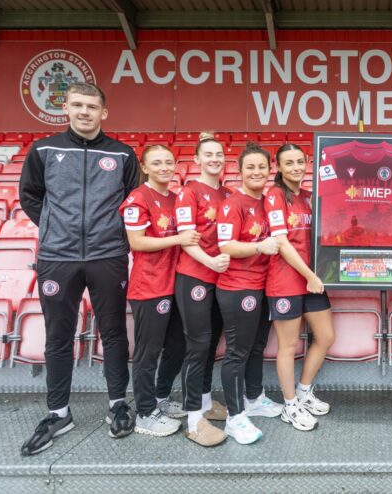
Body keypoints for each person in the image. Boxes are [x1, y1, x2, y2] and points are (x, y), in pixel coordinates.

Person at [19, 82, 139, 456]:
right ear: (66, 109)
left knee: (114, 331)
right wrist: (57, 227)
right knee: (58, 335)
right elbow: (30, 196)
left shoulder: (122, 154)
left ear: (104, 112)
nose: (84, 112)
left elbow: (132, 204)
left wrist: (109, 233)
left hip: (108, 255)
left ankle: (118, 403)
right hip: (59, 256)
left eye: (91, 106)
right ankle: (58, 413)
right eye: (77, 105)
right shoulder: (43, 150)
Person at [119, 144, 198, 437]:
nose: (165, 167)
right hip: (150, 286)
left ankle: (161, 398)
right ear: (145, 167)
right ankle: (144, 413)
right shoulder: (138, 198)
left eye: (169, 162)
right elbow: (137, 242)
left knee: (177, 346)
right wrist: (178, 239)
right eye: (157, 162)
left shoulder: (177, 198)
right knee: (148, 351)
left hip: (175, 283)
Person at [264, 143, 335, 432]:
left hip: (312, 279)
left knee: (326, 336)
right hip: (286, 280)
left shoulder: (308, 197)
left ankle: (304, 391)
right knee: (289, 346)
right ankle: (289, 405)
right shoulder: (275, 195)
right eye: (288, 163)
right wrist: (309, 275)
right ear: (278, 167)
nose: (295, 167)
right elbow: (281, 243)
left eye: (299, 161)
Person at [216, 143, 283, 445]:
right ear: (240, 171)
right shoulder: (233, 204)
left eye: (262, 167)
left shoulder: (268, 201)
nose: (257, 172)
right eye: (250, 167)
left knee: (257, 347)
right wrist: (259, 246)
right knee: (237, 352)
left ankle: (254, 398)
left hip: (264, 285)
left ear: (270, 170)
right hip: (237, 286)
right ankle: (234, 417)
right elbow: (226, 246)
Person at [174, 133, 232, 447]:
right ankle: (193, 419)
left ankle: (207, 404)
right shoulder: (189, 192)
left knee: (211, 345)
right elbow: (185, 237)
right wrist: (211, 263)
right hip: (195, 277)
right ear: (197, 159)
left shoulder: (228, 193)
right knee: (198, 346)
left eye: (219, 154)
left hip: (219, 278)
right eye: (208, 154)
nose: (214, 159)